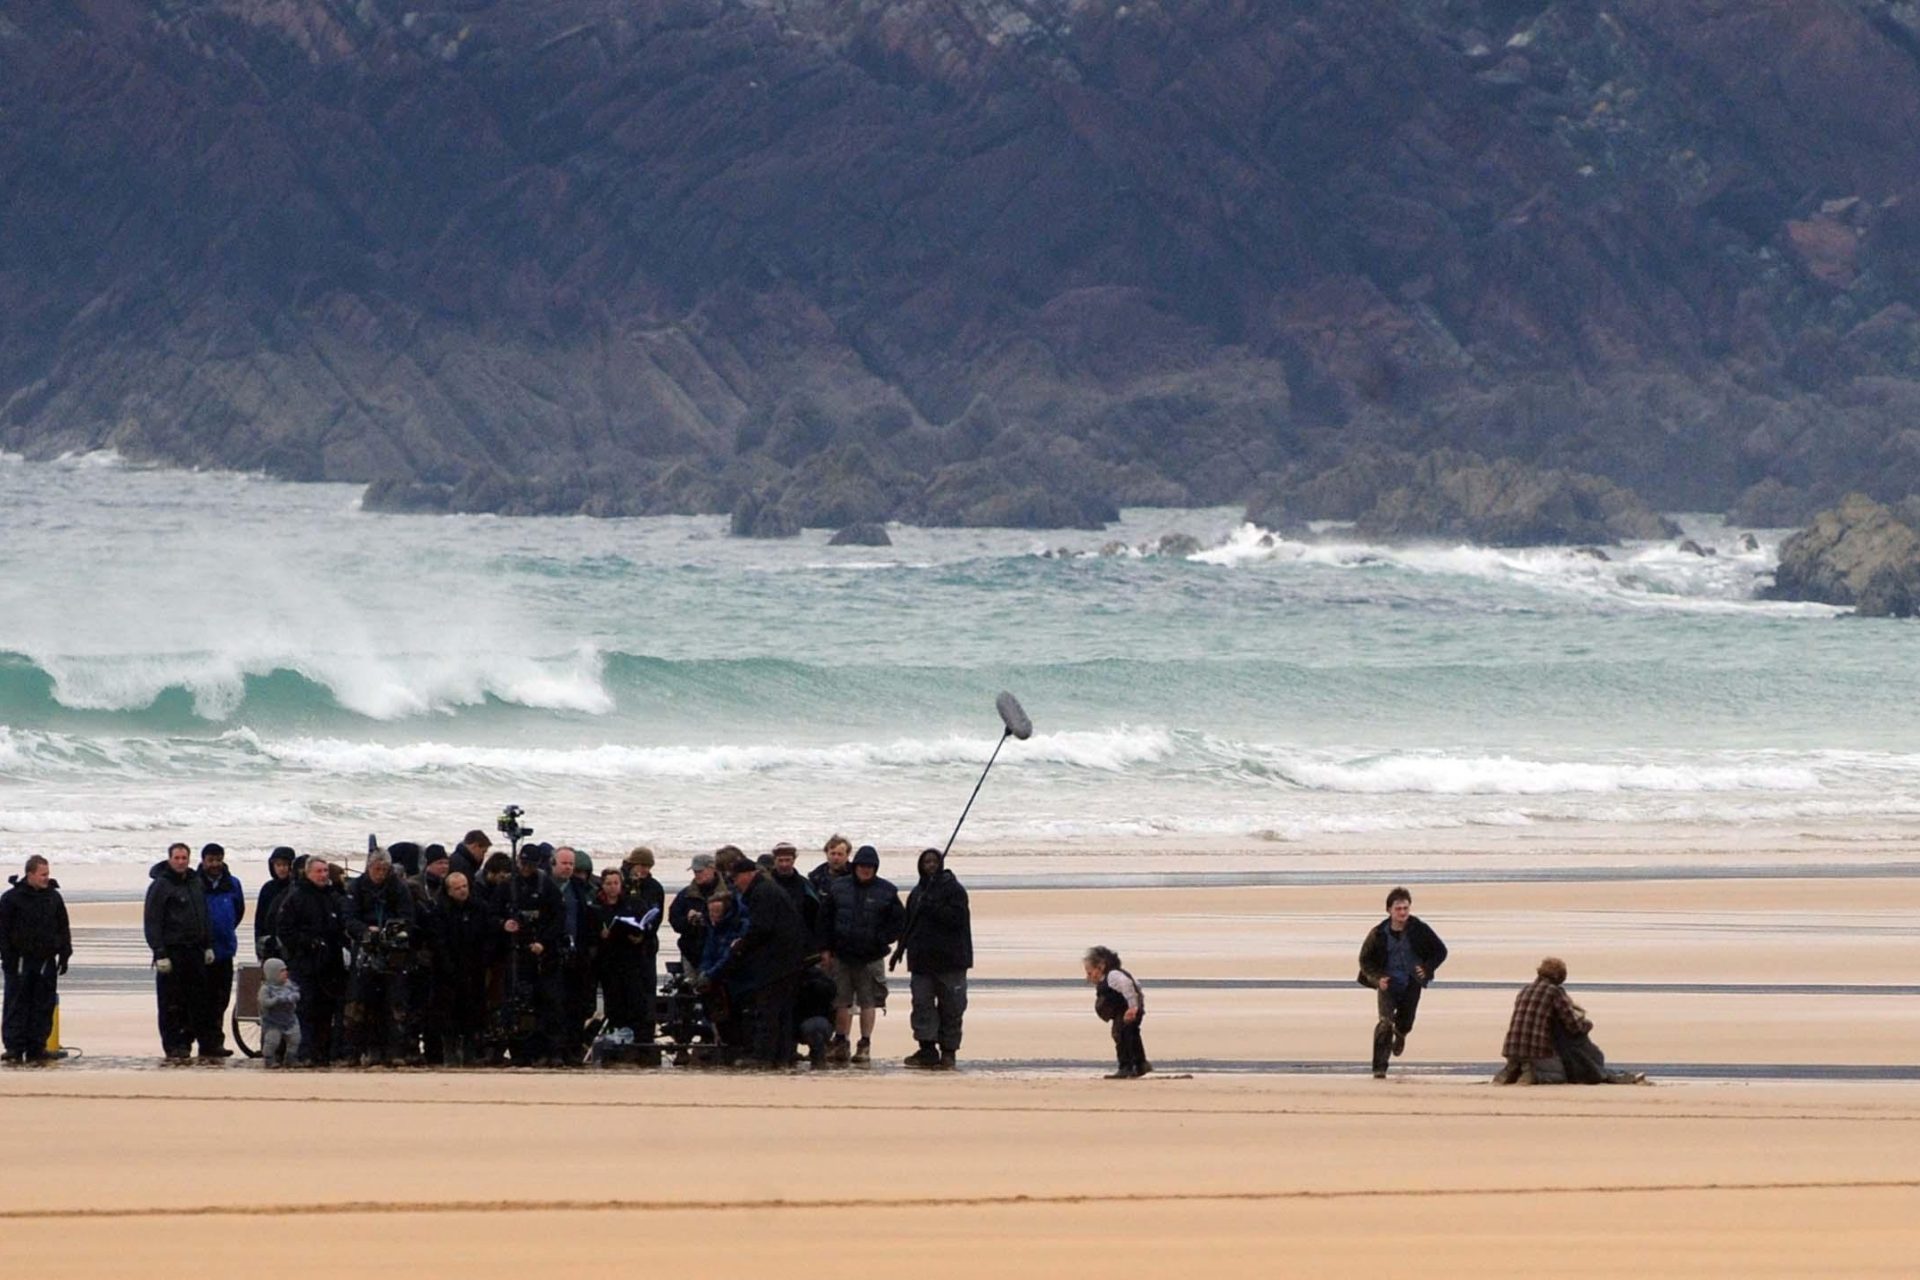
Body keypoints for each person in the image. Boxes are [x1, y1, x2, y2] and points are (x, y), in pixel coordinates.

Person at [1496, 957, 1646, 1085]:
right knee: (1560, 1076)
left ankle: (1514, 1069)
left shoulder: (1525, 990)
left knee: (1526, 1060)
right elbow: (1573, 1026)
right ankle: (1535, 1074)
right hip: (1535, 1051)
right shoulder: (1554, 992)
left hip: (1511, 1049)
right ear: (1559, 977)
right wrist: (1587, 1025)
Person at [818, 845, 903, 1065]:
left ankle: (864, 1044)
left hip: (871, 957)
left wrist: (882, 939)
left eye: (870, 867)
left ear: (875, 868)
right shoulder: (838, 888)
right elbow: (824, 920)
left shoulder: (887, 890)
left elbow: (899, 922)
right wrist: (825, 949)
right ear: (855, 866)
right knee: (841, 1002)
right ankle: (840, 1042)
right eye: (862, 866)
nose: (866, 870)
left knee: (869, 1002)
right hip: (842, 955)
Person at [1355, 886, 1447, 1079]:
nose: (1403, 912)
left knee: (1405, 1022)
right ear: (1389, 910)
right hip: (1387, 984)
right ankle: (1379, 1068)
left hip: (1412, 982)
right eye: (1398, 909)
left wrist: (1428, 968)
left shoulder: (1419, 928)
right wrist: (1377, 978)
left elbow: (1440, 951)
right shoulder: (1378, 933)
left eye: (1405, 908)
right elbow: (1365, 960)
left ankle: (1402, 1034)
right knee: (1385, 1024)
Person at [893, 847, 971, 1070]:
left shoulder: (954, 890)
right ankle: (927, 1050)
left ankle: (948, 1053)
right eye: (926, 862)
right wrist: (900, 950)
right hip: (921, 962)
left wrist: (933, 906)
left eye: (934, 862)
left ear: (941, 864)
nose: (930, 866)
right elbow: (908, 926)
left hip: (951, 961)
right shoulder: (917, 893)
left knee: (952, 1008)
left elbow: (957, 920)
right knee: (922, 1006)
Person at [728, 858, 808, 1068]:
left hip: (776, 961)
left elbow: (762, 928)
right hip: (789, 959)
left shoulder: (762, 893)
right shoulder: (768, 889)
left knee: (768, 1010)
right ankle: (782, 1056)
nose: (735, 883)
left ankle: (763, 1057)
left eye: (736, 878)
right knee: (782, 1011)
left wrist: (742, 944)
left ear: (747, 874)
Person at [490, 843, 564, 1064]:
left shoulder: (546, 885)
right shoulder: (507, 886)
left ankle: (548, 1051)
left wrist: (543, 942)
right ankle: (518, 1050)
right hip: (514, 954)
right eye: (523, 864)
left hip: (541, 954)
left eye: (530, 864)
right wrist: (504, 924)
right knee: (515, 1002)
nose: (526, 869)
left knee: (546, 1002)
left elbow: (558, 919)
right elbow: (492, 914)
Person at [342, 848, 417, 1065]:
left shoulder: (399, 888)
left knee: (395, 1003)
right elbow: (348, 918)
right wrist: (366, 932)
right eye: (377, 869)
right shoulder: (356, 887)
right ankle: (354, 1053)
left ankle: (395, 1052)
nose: (381, 873)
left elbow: (408, 918)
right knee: (358, 1004)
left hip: (394, 952)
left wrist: (392, 932)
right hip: (364, 949)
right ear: (368, 867)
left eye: (385, 869)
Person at [275, 855, 348, 1066]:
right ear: (307, 873)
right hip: (305, 965)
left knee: (326, 1011)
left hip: (330, 965)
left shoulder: (333, 897)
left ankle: (322, 1054)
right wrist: (307, 944)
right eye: (319, 871)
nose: (323, 875)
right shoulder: (296, 897)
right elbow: (284, 930)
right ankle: (303, 1054)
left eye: (326, 871)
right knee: (305, 1010)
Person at [144, 841, 213, 1061]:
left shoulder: (195, 882)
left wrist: (207, 944)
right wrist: (159, 952)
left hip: (195, 951)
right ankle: (173, 1046)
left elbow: (204, 915)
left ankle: (188, 1042)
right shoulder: (160, 886)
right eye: (177, 858)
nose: (181, 862)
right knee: (171, 1003)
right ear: (169, 859)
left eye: (184, 858)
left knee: (196, 1001)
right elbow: (152, 921)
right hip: (172, 952)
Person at [0, 856, 71, 1065]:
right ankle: (14, 1048)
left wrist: (65, 953)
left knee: (43, 1004)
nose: (46, 878)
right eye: (43, 874)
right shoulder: (11, 899)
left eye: (47, 874)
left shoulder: (54, 898)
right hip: (20, 960)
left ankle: (37, 1046)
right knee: (17, 1003)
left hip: (46, 960)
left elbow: (63, 927)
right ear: (30, 874)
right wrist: (7, 958)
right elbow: (2, 932)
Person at [429, 871, 496, 1065]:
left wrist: (484, 960)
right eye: (457, 888)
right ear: (449, 891)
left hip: (474, 969)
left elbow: (488, 936)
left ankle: (469, 1054)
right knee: (447, 1014)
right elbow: (437, 941)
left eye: (465, 886)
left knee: (473, 1013)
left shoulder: (479, 908)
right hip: (447, 971)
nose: (462, 891)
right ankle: (449, 1054)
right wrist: (447, 964)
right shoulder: (440, 911)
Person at [592, 867, 659, 1038]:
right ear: (602, 885)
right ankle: (615, 1039)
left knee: (635, 1003)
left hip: (632, 961)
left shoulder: (633, 903)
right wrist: (600, 934)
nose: (612, 887)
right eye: (608, 883)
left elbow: (647, 926)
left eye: (615, 883)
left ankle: (637, 1042)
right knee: (614, 1005)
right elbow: (589, 931)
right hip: (608, 962)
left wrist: (641, 936)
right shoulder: (596, 905)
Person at [550, 847, 598, 1062]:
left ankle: (572, 1048)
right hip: (550, 953)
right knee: (553, 1003)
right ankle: (554, 1049)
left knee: (575, 1004)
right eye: (564, 863)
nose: (568, 867)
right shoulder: (545, 886)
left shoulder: (580, 888)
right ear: (554, 864)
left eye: (571, 864)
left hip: (576, 954)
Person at [197, 843, 244, 1058]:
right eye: (211, 860)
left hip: (225, 950)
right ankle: (203, 1043)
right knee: (201, 1000)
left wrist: (225, 929)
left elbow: (239, 911)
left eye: (218, 860)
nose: (215, 864)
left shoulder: (233, 884)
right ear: (203, 861)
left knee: (221, 1000)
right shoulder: (194, 883)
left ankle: (215, 1043)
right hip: (201, 952)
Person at [1084, 946, 1149, 1079]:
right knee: (1130, 1035)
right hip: (1126, 1010)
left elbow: (1128, 985)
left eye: (1090, 973)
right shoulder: (1112, 976)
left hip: (1128, 1010)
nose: (1088, 977)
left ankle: (1126, 1067)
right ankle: (1139, 1064)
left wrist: (1132, 1007)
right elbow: (1136, 984)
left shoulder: (1113, 976)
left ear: (1101, 967)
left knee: (1122, 1035)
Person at [696, 889, 749, 1053]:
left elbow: (728, 956)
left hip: (734, 980)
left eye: (717, 912)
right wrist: (704, 972)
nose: (713, 915)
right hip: (715, 977)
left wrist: (710, 974)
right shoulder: (713, 929)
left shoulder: (738, 927)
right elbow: (708, 953)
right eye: (710, 911)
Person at [621, 847, 666, 1038]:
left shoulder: (654, 887)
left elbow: (657, 916)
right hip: (623, 945)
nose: (644, 870)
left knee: (647, 992)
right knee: (625, 993)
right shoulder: (620, 882)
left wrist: (645, 935)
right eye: (641, 865)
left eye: (648, 866)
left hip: (646, 946)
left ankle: (646, 1036)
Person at [669, 853, 720, 976]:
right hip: (690, 952)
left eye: (700, 871)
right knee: (691, 989)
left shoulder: (726, 893)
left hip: (718, 951)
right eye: (695, 871)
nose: (697, 874)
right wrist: (688, 920)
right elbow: (674, 920)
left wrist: (707, 919)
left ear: (712, 869)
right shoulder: (686, 894)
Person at [767, 841, 819, 944]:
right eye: (780, 860)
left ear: (794, 860)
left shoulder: (805, 885)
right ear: (774, 861)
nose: (784, 864)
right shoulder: (766, 884)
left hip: (799, 939)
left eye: (788, 860)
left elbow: (814, 914)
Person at [257, 957, 301, 1068]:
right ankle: (269, 1059)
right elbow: (264, 1002)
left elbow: (297, 994)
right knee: (272, 1041)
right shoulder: (266, 989)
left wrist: (290, 998)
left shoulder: (289, 985)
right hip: (273, 1022)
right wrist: (277, 1000)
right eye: (282, 971)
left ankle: (290, 1058)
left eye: (285, 970)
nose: (285, 973)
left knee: (295, 1039)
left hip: (290, 1020)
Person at [254, 847, 295, 961]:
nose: (282, 869)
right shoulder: (268, 888)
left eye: (285, 865)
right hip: (270, 942)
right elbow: (259, 919)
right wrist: (259, 945)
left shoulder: (297, 888)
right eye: (278, 865)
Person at [809, 834, 852, 900]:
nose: (836, 858)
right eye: (833, 853)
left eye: (840, 854)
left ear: (847, 855)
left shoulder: (856, 875)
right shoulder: (816, 877)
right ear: (826, 854)